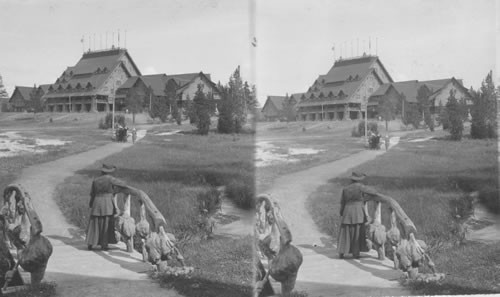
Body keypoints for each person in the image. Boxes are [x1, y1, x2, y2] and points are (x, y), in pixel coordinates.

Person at [86, 164, 126, 251]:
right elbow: (123, 184)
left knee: (94, 223)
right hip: (107, 202)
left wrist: (91, 204)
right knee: (106, 223)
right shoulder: (110, 179)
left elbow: (92, 194)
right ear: (110, 171)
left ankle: (91, 243)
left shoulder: (95, 180)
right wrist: (114, 190)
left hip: (96, 202)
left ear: (102, 171)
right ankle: (104, 244)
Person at [338, 172, 373, 259]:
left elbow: (343, 202)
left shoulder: (345, 189)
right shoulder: (361, 187)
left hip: (347, 211)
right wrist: (365, 198)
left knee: (345, 232)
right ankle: (355, 253)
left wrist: (342, 212)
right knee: (357, 231)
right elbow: (373, 192)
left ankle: (342, 252)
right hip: (358, 211)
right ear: (360, 179)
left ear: (351, 179)